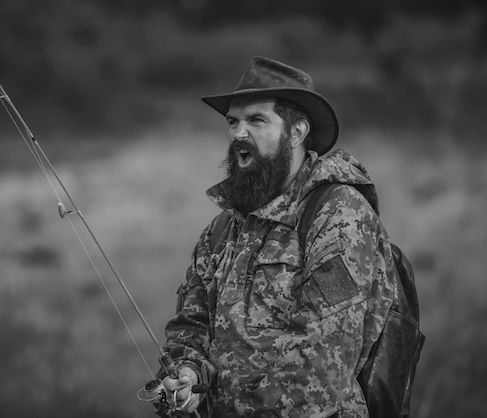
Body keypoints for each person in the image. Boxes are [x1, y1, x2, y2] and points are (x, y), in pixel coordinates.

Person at [157, 56, 396, 417]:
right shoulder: (223, 229)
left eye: (256, 120)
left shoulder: (339, 214)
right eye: (233, 121)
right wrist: (187, 377)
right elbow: (191, 326)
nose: (239, 133)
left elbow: (320, 368)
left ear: (297, 133)